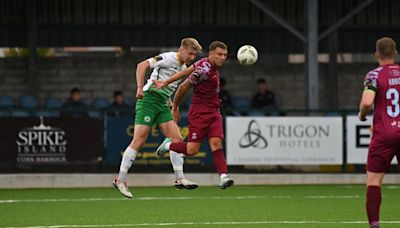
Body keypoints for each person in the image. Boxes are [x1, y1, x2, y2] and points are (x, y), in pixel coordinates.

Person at [113, 38, 203, 198]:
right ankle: (121, 179)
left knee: (177, 140)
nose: (192, 57)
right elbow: (142, 65)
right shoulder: (168, 58)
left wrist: (171, 104)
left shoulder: (184, 67)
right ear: (182, 49)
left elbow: (168, 87)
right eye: (190, 53)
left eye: (195, 55)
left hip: (161, 103)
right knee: (139, 139)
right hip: (149, 99)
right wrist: (140, 88)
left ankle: (179, 179)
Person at [153, 41, 234, 189]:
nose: (223, 58)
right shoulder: (203, 70)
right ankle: (168, 146)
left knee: (216, 143)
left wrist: (166, 82)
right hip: (199, 113)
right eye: (220, 54)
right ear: (211, 54)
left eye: (225, 55)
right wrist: (175, 107)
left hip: (214, 112)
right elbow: (184, 86)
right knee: (191, 150)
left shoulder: (209, 65)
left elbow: (185, 71)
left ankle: (223, 177)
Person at [358, 37, 400, 228]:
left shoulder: (374, 75)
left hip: (384, 133)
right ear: (396, 53)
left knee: (374, 181)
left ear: (377, 55)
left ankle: (374, 225)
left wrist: (362, 115)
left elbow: (367, 101)